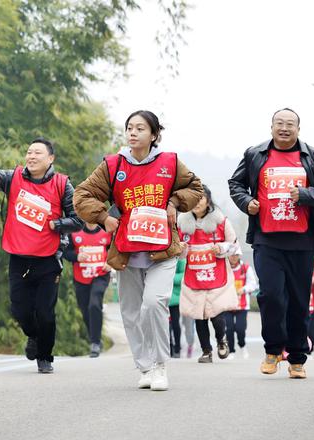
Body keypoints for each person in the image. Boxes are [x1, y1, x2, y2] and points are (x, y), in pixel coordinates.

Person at [74, 110, 203, 391]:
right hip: (128, 251)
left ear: (154, 135)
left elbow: (195, 188)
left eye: (140, 128)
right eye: (130, 128)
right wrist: (103, 217)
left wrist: (173, 203)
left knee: (153, 303)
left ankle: (159, 366)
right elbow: (82, 195)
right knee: (131, 313)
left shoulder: (170, 162)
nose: (133, 133)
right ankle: (143, 366)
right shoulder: (112, 165)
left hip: (163, 249)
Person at [228, 108, 314, 379]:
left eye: (290, 124)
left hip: (303, 239)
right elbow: (236, 184)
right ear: (271, 127)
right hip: (267, 238)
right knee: (271, 296)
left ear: (299, 129)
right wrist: (246, 203)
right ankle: (272, 350)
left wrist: (304, 194)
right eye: (280, 123)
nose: (285, 128)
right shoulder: (255, 154)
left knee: (299, 301)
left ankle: (297, 358)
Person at [0, 117, 82, 373]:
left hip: (49, 258)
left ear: (50, 158)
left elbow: (78, 220)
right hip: (18, 257)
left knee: (45, 312)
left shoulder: (63, 184)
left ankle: (45, 357)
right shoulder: (13, 177)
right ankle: (33, 335)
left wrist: (57, 224)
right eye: (29, 152)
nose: (31, 156)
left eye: (38, 153)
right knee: (19, 309)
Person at [178, 185, 239, 363]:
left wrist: (221, 248)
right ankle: (206, 351)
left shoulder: (221, 221)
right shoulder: (182, 223)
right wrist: (181, 249)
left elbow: (234, 244)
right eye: (194, 199)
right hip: (193, 275)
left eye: (201, 198)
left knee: (217, 314)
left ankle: (222, 340)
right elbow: (177, 250)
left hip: (216, 274)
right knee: (199, 315)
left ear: (208, 200)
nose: (197, 203)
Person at [62, 221, 112, 358]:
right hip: (81, 278)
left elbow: (115, 248)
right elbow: (65, 252)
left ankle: (94, 343)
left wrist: (110, 261)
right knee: (85, 310)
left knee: (94, 304)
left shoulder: (106, 233)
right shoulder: (75, 234)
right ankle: (96, 338)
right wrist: (77, 256)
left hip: (100, 276)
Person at [225, 252, 258, 359]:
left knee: (240, 329)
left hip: (242, 305)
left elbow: (253, 284)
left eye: (236, 255)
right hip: (227, 305)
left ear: (239, 256)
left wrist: (243, 289)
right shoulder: (224, 268)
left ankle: (242, 345)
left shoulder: (245, 268)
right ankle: (231, 351)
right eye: (231, 255)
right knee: (229, 328)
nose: (234, 257)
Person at [168, 258, 186, 358]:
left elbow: (182, 277)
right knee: (165, 325)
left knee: (175, 324)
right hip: (163, 299)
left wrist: (168, 276)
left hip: (175, 299)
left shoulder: (180, 260)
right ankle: (169, 348)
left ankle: (177, 348)